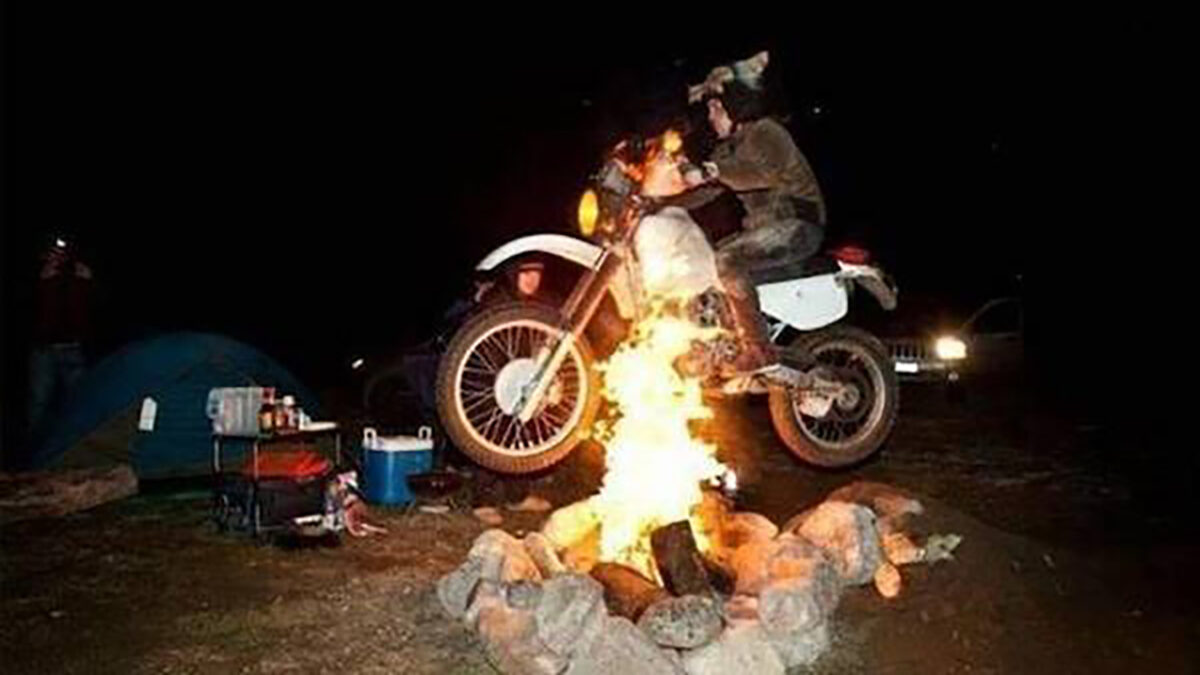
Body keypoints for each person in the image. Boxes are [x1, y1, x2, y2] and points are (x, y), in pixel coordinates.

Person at [675, 52, 827, 377]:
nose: (711, 117)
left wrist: (712, 171)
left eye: (716, 109)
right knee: (701, 264)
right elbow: (708, 189)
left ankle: (758, 351)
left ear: (735, 107)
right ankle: (718, 347)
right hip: (765, 233)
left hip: (796, 227)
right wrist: (660, 204)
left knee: (727, 260)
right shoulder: (727, 150)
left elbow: (763, 174)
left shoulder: (766, 132)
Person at [28, 237, 96, 438]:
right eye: (54, 253)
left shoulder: (79, 276)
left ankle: (73, 443)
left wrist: (90, 283)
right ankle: (34, 445)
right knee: (39, 402)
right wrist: (41, 283)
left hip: (74, 349)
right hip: (44, 351)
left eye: (62, 253)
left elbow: (95, 311)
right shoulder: (37, 276)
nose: (58, 257)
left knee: (77, 400)